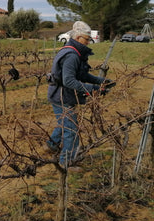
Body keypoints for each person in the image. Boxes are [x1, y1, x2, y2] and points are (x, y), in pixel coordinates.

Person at [46, 21, 113, 170]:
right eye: (86, 39)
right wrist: (94, 89)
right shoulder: (72, 55)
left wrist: (102, 81)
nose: (89, 41)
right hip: (61, 96)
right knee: (71, 129)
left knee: (65, 122)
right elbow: (69, 81)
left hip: (60, 95)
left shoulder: (74, 52)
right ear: (77, 38)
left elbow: (82, 75)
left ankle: (52, 144)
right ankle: (66, 162)